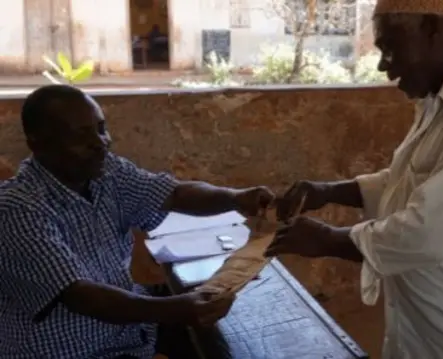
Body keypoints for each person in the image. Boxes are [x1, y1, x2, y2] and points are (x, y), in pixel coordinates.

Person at [267, 0, 443, 358]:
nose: (384, 66)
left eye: (390, 47)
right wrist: (328, 192)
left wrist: (327, 240)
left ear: (432, 29)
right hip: (429, 329)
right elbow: (411, 182)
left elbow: (433, 230)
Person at [0, 84, 275, 359]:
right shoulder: (17, 209)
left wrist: (236, 198)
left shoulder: (106, 173)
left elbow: (175, 194)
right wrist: (177, 308)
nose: (100, 142)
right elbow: (81, 296)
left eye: (100, 128)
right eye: (80, 135)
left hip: (128, 338)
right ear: (38, 143)